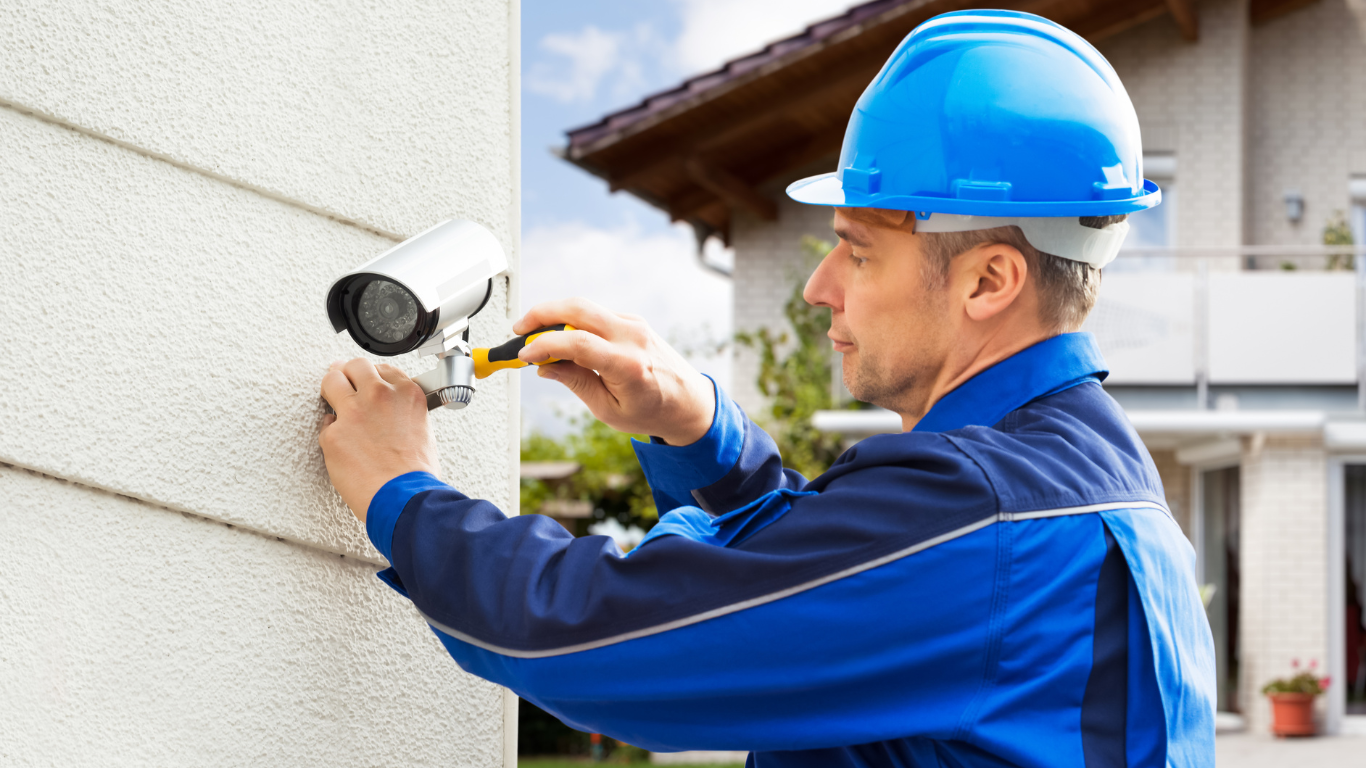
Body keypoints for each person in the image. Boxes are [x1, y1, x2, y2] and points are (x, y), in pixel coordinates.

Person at [318, 10, 1215, 767]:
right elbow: (825, 595)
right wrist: (698, 432)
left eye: (859, 250)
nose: (821, 287)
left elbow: (589, 641)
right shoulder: (1085, 485)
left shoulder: (980, 515)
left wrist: (403, 489)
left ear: (989, 281)